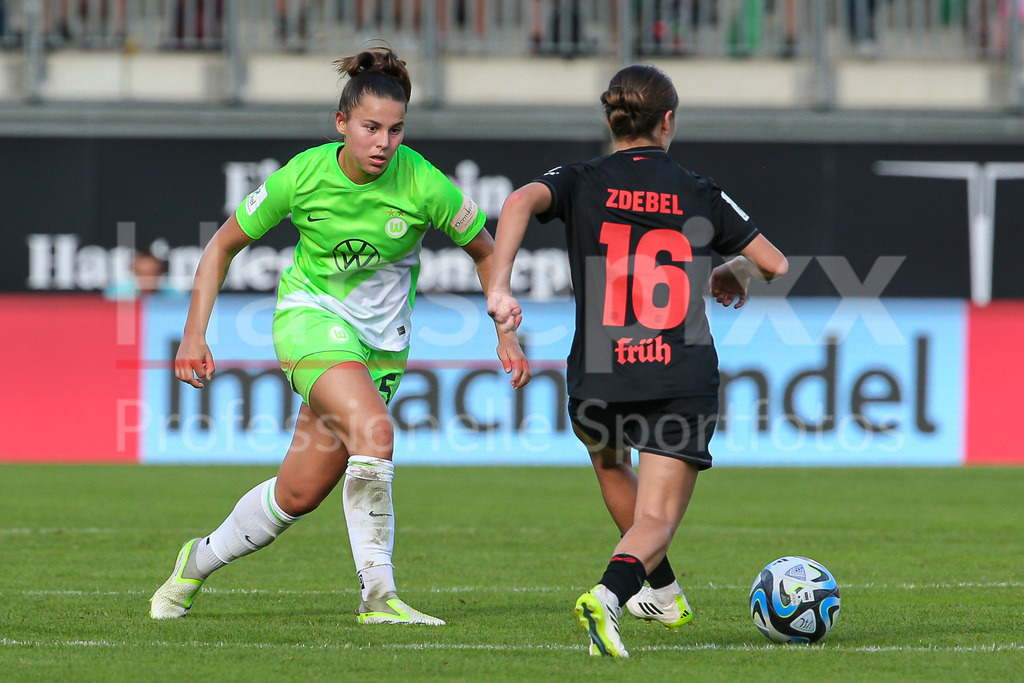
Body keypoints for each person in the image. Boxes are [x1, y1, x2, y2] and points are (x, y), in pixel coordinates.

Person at [149, 45, 529, 625]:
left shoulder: (425, 184)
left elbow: (485, 251)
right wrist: (193, 335)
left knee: (295, 496)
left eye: (396, 130)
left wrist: (504, 329)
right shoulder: (303, 176)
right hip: (310, 320)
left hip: (382, 346)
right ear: (342, 124)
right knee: (375, 433)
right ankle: (379, 596)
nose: (384, 143)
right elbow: (222, 245)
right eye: (371, 128)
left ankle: (193, 563)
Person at [487, 64, 787, 657]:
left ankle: (665, 591)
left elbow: (519, 200)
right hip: (677, 370)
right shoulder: (698, 189)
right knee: (657, 518)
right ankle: (608, 594)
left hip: (598, 368)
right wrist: (729, 270)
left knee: (608, 463)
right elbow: (773, 263)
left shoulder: (580, 179)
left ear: (610, 119)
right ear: (668, 120)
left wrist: (500, 288)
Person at [103, 249, 173, 300]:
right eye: (141, 273)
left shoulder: (172, 294)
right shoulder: (116, 293)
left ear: (159, 273)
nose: (146, 278)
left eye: (151, 273)